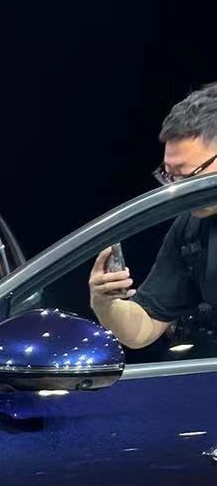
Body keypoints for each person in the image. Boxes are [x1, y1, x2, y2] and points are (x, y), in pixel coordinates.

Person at [90, 83, 217, 351]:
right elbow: (144, 328)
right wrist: (105, 303)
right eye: (170, 175)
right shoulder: (191, 228)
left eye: (187, 175)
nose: (177, 189)